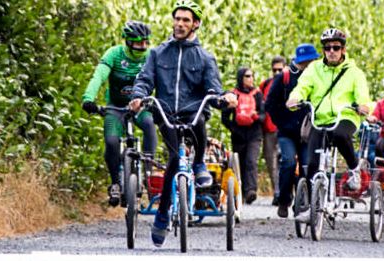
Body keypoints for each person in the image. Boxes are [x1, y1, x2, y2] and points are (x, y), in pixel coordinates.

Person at [127, 0, 238, 247]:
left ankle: (199, 163)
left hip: (193, 113)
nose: (180, 23)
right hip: (166, 113)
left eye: (186, 20)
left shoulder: (205, 57)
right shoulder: (157, 53)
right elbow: (145, 80)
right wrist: (137, 96)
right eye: (177, 18)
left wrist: (225, 98)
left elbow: (214, 88)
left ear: (195, 24)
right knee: (174, 160)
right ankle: (163, 212)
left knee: (198, 123)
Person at [285, 28, 373, 219]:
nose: (331, 51)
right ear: (323, 50)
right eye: (327, 48)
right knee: (311, 164)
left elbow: (363, 95)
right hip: (320, 119)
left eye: (336, 47)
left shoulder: (354, 72)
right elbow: (302, 87)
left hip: (346, 116)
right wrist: (295, 98)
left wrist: (364, 106)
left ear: (343, 49)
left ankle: (354, 168)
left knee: (340, 134)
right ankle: (310, 207)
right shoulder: (314, 69)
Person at [81, 21, 157, 208]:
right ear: (129, 42)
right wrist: (88, 98)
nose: (143, 47)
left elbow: (160, 80)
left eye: (146, 43)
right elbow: (98, 76)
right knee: (112, 141)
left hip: (140, 106)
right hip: (115, 107)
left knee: (149, 126)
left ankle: (149, 173)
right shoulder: (114, 54)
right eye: (139, 43)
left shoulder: (149, 57)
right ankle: (115, 182)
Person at [265, 43, 320, 218]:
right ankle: (283, 200)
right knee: (288, 162)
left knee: (308, 165)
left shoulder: (315, 77)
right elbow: (270, 104)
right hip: (287, 132)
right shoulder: (285, 77)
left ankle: (307, 202)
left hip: (307, 133)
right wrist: (282, 122)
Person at [222, 67, 264, 205]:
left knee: (251, 161)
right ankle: (240, 191)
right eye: (247, 76)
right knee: (239, 165)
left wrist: (255, 117)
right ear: (241, 78)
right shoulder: (233, 95)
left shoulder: (257, 94)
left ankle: (251, 190)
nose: (250, 79)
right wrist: (234, 129)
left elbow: (264, 115)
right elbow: (225, 117)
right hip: (238, 135)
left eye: (252, 76)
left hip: (254, 133)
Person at [259, 56, 286, 206]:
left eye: (280, 70)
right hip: (269, 130)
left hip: (284, 129)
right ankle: (277, 192)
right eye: (274, 70)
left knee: (287, 161)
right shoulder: (265, 85)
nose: (276, 73)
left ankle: (286, 191)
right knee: (271, 163)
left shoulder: (290, 82)